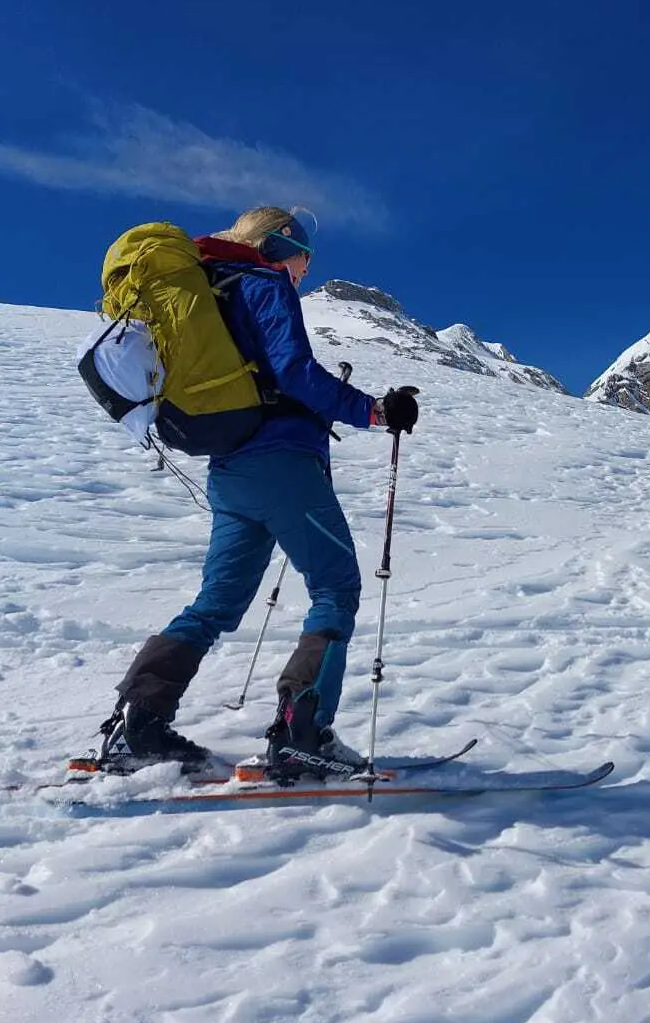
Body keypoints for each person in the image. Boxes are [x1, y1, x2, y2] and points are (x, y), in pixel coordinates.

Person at [103, 206, 420, 776]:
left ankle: (139, 723)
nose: (306, 268)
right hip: (280, 466)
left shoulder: (212, 287)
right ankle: (304, 733)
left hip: (229, 470)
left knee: (215, 604)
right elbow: (294, 372)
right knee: (335, 587)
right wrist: (374, 410)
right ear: (280, 245)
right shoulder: (263, 282)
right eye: (305, 255)